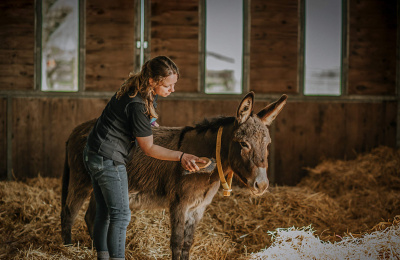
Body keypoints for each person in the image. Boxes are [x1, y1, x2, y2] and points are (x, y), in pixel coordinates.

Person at [83, 56, 205, 260]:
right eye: (168, 85)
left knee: (104, 211)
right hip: (108, 159)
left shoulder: (135, 86)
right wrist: (181, 156)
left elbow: (141, 120)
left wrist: (149, 124)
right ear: (152, 81)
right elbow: (148, 148)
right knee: (121, 216)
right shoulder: (137, 104)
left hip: (93, 152)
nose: (172, 90)